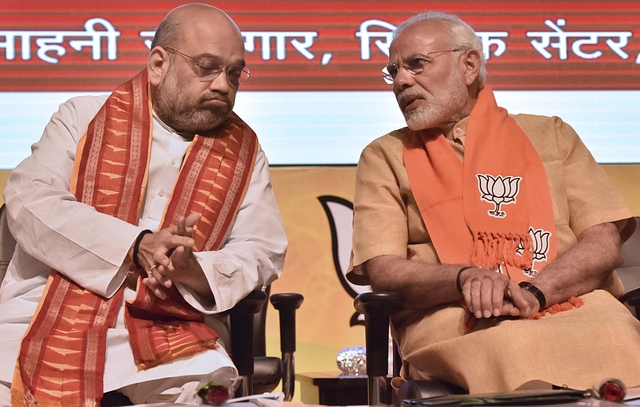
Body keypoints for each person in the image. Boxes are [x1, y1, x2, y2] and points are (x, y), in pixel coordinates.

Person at [0, 3, 287, 406]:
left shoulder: (244, 152)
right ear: (157, 64)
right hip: (42, 317)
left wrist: (194, 269)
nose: (223, 84)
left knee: (209, 397)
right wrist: (137, 245)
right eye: (207, 67)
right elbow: (30, 200)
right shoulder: (82, 117)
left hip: (176, 339)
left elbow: (262, 251)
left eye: (235, 73)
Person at [348, 11, 640, 394]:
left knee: (619, 333)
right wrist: (465, 277)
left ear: (469, 65)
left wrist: (536, 291)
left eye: (417, 64)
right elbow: (384, 270)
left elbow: (603, 242)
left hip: (572, 301)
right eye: (394, 71)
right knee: (512, 344)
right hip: (456, 317)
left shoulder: (551, 134)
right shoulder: (384, 155)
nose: (401, 81)